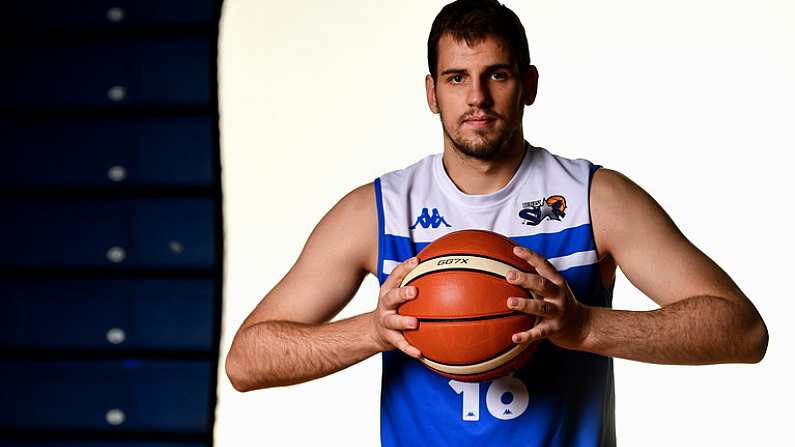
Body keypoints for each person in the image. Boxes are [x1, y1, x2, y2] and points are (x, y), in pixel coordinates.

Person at [225, 0, 768, 445]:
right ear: (432, 93)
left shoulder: (593, 199)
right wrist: (371, 331)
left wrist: (586, 328)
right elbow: (247, 362)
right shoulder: (381, 211)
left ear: (528, 84)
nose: (477, 97)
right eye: (457, 77)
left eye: (497, 75)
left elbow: (742, 331)